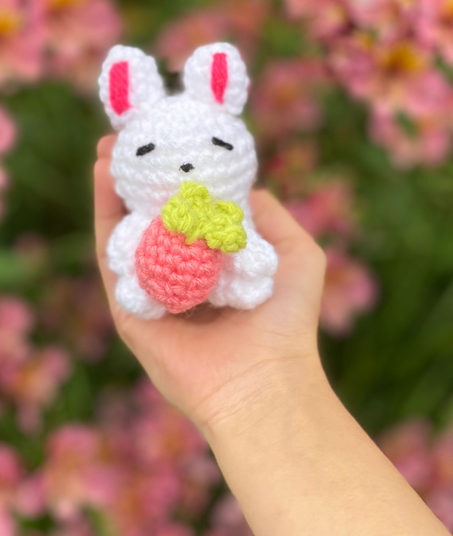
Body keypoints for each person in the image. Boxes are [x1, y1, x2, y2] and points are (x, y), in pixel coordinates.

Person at [94, 134, 449, 536]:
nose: (187, 168)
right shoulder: (166, 217)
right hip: (156, 275)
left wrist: (261, 385)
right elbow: (125, 247)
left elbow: (247, 256)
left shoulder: (226, 216)